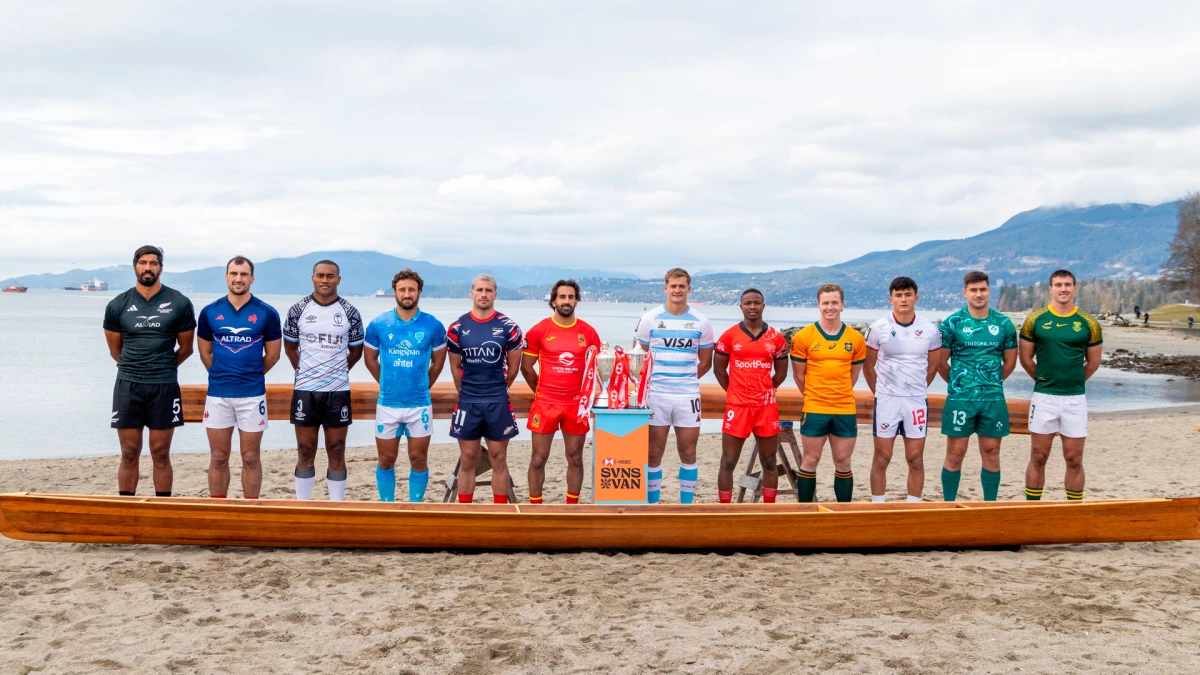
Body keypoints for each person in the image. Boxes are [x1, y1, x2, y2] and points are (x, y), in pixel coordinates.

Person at [104, 245, 196, 497]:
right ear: (135, 266)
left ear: (161, 268)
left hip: (164, 385)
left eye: (153, 263)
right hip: (128, 384)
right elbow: (115, 351)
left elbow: (186, 348)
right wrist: (137, 366)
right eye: (143, 263)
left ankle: (162, 508)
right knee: (129, 451)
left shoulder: (179, 302)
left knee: (160, 452)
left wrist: (162, 366)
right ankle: (127, 508)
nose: (148, 267)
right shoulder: (117, 304)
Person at [196, 256, 281, 499]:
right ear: (226, 276)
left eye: (244, 274)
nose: (238, 278)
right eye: (234, 273)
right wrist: (223, 374)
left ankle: (250, 509)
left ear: (252, 278)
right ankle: (218, 509)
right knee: (219, 456)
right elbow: (205, 353)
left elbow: (273, 355)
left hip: (252, 395)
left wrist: (249, 374)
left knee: (251, 457)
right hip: (218, 394)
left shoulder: (266, 313)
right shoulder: (210, 312)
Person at [282, 260, 364, 500]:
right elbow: (290, 348)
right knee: (305, 450)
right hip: (305, 391)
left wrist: (336, 371)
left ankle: (336, 507)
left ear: (338, 279)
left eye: (330, 276)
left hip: (337, 391)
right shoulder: (298, 309)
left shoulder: (350, 312)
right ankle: (303, 506)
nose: (325, 280)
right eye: (320, 275)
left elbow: (356, 352)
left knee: (336, 450)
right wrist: (307, 373)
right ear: (313, 278)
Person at [363, 269, 447, 503]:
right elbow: (369, 358)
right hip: (387, 404)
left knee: (418, 458)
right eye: (402, 289)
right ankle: (387, 507)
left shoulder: (433, 325)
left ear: (419, 291)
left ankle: (415, 507)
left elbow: (438, 361)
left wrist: (423, 384)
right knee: (386, 459)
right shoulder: (380, 323)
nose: (407, 294)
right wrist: (386, 382)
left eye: (411, 289)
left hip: (419, 404)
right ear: (395, 292)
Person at [1019, 270, 1103, 501]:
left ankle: (1073, 511)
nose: (1063, 288)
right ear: (1051, 289)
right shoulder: (1035, 320)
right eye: (1058, 284)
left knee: (1074, 459)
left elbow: (1093, 362)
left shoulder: (1089, 323)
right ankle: (1032, 509)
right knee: (1038, 456)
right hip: (1044, 398)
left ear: (1075, 288)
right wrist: (1044, 379)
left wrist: (1073, 381)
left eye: (1067, 284)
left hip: (1075, 399)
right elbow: (1025, 359)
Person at [634, 268, 715, 504]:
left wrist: (684, 379)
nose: (677, 290)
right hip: (656, 395)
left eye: (682, 286)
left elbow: (706, 362)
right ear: (665, 288)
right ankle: (652, 506)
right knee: (653, 453)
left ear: (689, 289)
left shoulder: (701, 321)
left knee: (688, 452)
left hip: (687, 396)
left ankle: (686, 506)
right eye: (673, 286)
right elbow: (637, 359)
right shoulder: (650, 319)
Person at [937, 271, 1017, 502]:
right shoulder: (952, 323)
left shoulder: (1003, 323)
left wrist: (990, 383)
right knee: (955, 453)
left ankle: (989, 506)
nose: (978, 294)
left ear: (989, 291)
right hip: (961, 399)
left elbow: (1010, 363)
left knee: (992, 453)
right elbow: (941, 363)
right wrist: (959, 385)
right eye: (973, 290)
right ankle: (948, 507)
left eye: (983, 289)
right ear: (965, 293)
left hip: (993, 399)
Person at [520, 280, 602, 504]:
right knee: (538, 458)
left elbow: (596, 369)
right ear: (554, 300)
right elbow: (526, 368)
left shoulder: (588, 332)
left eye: (571, 297)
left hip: (576, 405)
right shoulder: (539, 330)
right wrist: (542, 390)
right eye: (562, 297)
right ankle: (536, 507)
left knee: (575, 458)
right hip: (545, 404)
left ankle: (571, 507)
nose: (567, 301)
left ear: (577, 300)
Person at [446, 274, 524, 503]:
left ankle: (500, 511)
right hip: (468, 400)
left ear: (495, 295)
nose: (483, 294)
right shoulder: (457, 328)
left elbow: (513, 368)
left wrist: (497, 389)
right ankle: (465, 512)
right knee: (468, 457)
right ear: (471, 293)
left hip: (498, 400)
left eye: (488, 290)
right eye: (479, 290)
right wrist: (468, 392)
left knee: (498, 458)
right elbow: (455, 368)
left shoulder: (509, 327)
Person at [863, 277, 941, 503]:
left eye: (908, 294)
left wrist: (915, 389)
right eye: (898, 295)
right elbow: (868, 367)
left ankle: (913, 507)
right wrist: (881, 393)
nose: (903, 299)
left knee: (915, 458)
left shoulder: (929, 330)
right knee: (882, 458)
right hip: (887, 400)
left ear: (916, 298)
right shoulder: (878, 328)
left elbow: (933, 366)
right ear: (891, 299)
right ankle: (878, 506)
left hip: (916, 401)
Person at [789, 284, 867, 502]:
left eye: (834, 302)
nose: (830, 307)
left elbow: (853, 375)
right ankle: (805, 512)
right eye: (826, 303)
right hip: (815, 407)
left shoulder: (855, 338)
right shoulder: (804, 336)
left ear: (842, 304)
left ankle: (843, 513)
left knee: (843, 461)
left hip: (844, 408)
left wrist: (838, 393)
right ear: (818, 305)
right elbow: (798, 376)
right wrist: (816, 395)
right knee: (810, 459)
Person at [713, 289, 789, 503]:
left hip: (766, 408)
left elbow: (781, 373)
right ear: (741, 307)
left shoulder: (776, 337)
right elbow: (719, 370)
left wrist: (765, 390)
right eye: (748, 303)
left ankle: (768, 509)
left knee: (769, 461)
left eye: (757, 302)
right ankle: (726, 510)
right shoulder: (729, 336)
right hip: (737, 407)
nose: (752, 306)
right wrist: (735, 391)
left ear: (764, 306)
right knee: (728, 462)